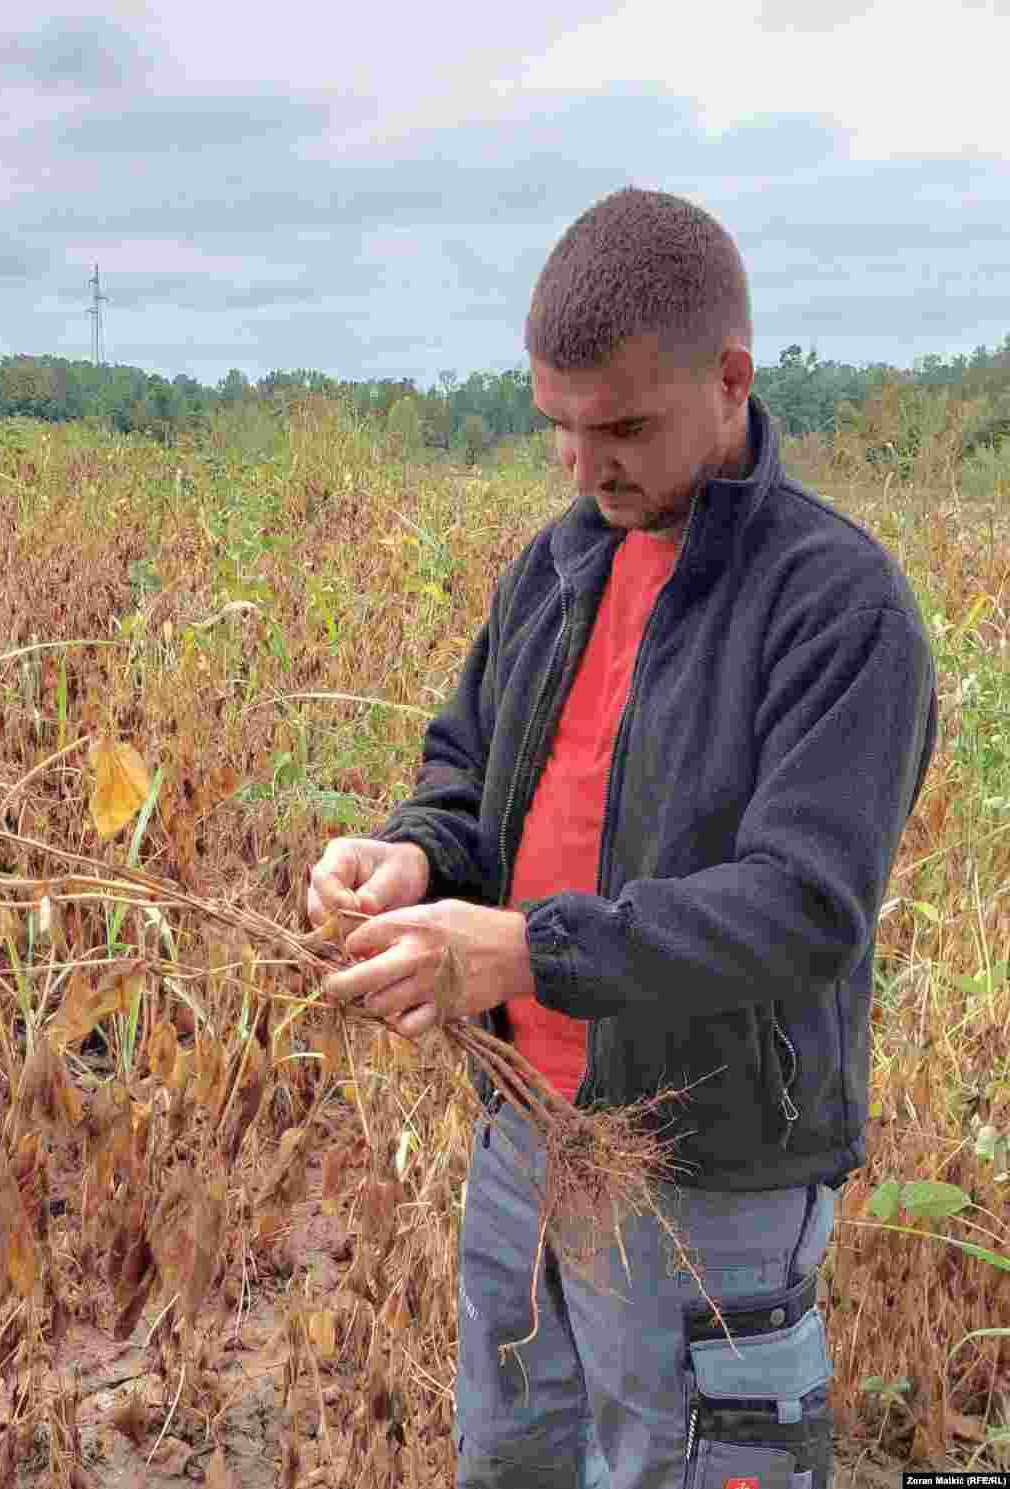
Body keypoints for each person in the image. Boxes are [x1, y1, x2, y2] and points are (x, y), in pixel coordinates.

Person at [307, 187, 937, 1489]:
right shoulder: (558, 566)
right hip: (525, 1144)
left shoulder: (838, 607)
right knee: (516, 1461)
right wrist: (415, 855)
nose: (589, 466)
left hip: (703, 1181)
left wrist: (524, 950)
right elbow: (466, 762)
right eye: (562, 428)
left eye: (626, 427)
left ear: (732, 379)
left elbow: (802, 905)